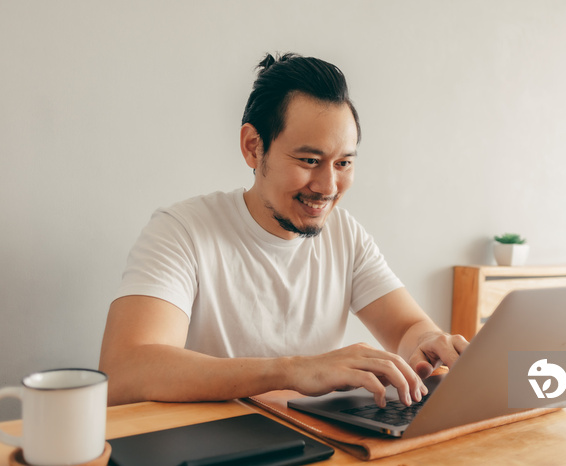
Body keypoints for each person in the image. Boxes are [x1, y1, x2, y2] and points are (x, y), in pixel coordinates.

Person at [99, 52, 468, 409]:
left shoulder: (345, 235)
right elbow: (126, 371)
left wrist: (428, 341)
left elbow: (406, 328)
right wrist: (292, 370)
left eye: (343, 163)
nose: (327, 186)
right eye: (309, 160)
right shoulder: (182, 230)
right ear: (252, 147)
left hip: (312, 440)